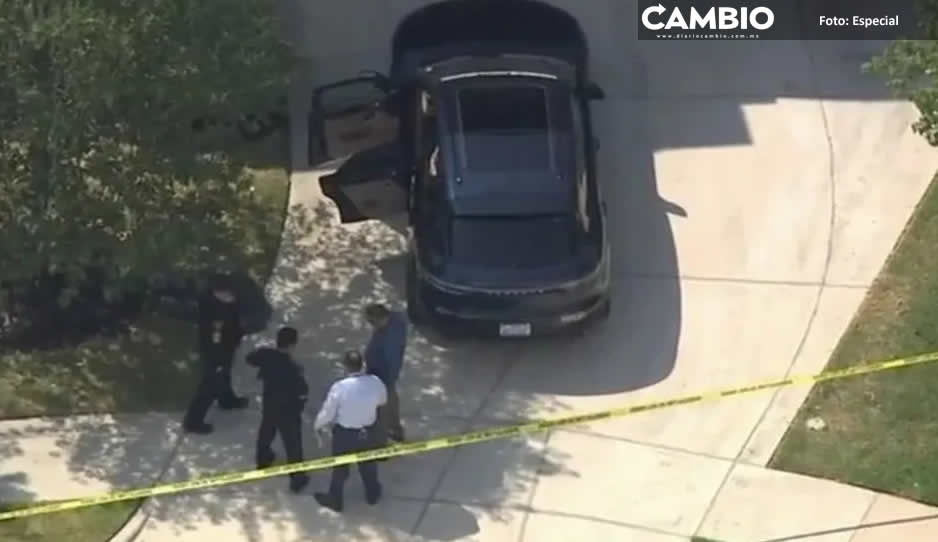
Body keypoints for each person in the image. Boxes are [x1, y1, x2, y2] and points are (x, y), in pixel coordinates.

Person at [312, 350, 387, 512]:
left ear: (345, 367)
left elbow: (328, 412)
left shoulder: (339, 388)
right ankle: (372, 494)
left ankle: (335, 499)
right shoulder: (375, 382)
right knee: (368, 463)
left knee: (340, 468)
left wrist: (318, 425)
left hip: (345, 434)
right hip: (368, 431)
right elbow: (383, 400)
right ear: (363, 365)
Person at [182, 275, 250, 434]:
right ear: (216, 293)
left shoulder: (230, 301)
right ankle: (192, 422)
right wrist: (215, 354)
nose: (231, 298)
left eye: (231, 295)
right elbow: (209, 336)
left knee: (224, 375)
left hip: (227, 345)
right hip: (214, 350)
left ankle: (227, 400)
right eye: (227, 295)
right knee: (209, 385)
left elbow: (234, 322)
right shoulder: (210, 311)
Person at [246, 326, 310, 493]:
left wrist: (265, 353)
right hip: (288, 411)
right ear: (292, 345)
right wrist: (299, 407)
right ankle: (297, 479)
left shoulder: (267, 356)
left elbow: (250, 358)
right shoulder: (294, 369)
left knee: (266, 431)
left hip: (270, 404)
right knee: (293, 444)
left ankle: (263, 459)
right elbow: (302, 392)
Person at [363, 303, 408, 443]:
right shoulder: (396, 321)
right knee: (390, 404)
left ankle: (381, 442)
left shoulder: (389, 339)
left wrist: (382, 380)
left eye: (372, 321)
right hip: (384, 376)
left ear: (381, 318)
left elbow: (390, 360)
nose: (371, 325)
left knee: (382, 411)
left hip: (382, 376)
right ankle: (396, 430)